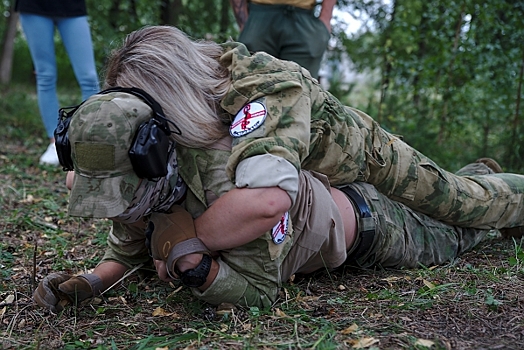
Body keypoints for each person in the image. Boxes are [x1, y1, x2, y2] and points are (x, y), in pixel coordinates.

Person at [32, 25, 524, 310]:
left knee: (463, 204)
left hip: (365, 159)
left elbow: (268, 199)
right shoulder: (192, 124)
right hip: (329, 192)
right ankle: (478, 173)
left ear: (172, 94)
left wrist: (184, 242)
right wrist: (98, 276)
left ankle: (506, 190)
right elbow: (137, 223)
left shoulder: (263, 90)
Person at [16, 0, 100, 165]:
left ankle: (93, 139)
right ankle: (56, 142)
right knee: (45, 76)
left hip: (72, 8)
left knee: (89, 78)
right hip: (33, 7)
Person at [229, 0, 336, 79]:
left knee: (302, 93)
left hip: (304, 19)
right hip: (258, 14)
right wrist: (244, 22)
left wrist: (326, 18)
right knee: (250, 89)